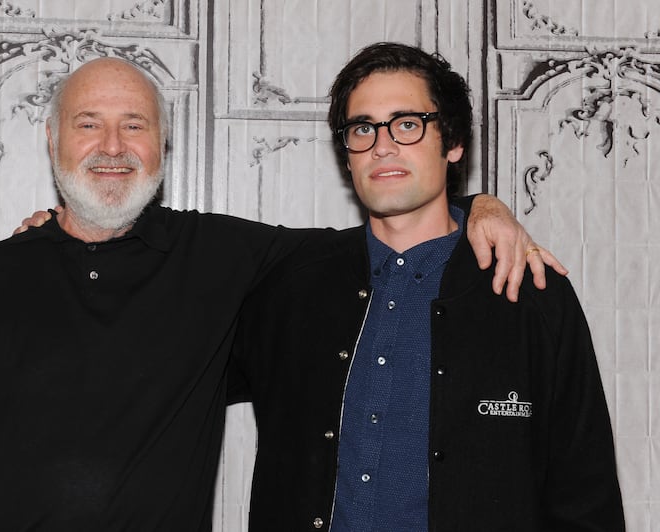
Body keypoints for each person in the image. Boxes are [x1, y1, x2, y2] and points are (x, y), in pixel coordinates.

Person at [0, 56, 559, 531]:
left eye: (136, 125)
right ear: (54, 139)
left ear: (164, 145)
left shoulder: (220, 258)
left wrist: (481, 207)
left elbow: (394, 223)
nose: (112, 146)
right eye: (88, 123)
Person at [229, 42, 624, 531]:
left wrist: (482, 204)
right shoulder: (291, 287)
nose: (382, 144)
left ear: (453, 143)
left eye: (408, 123)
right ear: (347, 153)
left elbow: (585, 490)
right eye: (363, 128)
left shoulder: (529, 289)